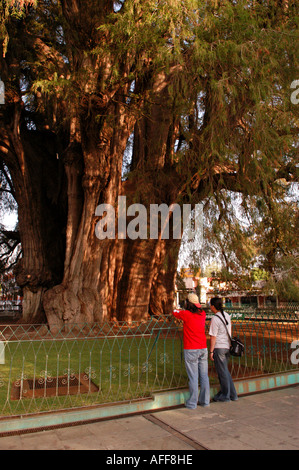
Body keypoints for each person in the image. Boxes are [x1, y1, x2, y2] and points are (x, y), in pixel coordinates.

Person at [173, 293, 210, 408]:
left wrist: (177, 309)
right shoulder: (202, 314)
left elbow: (175, 313)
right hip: (203, 348)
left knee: (193, 376)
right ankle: (205, 401)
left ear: (187, 303)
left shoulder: (186, 314)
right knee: (204, 376)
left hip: (191, 349)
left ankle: (192, 403)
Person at [209, 297, 238, 402]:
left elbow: (213, 336)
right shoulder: (226, 315)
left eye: (210, 305)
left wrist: (211, 351)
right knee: (225, 371)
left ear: (213, 306)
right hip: (227, 346)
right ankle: (232, 394)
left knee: (222, 373)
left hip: (219, 347)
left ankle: (226, 395)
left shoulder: (215, 319)